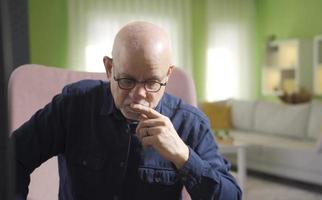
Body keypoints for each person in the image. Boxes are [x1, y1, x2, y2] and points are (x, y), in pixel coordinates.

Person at [12, 21, 242, 200]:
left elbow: (231, 196)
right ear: (109, 68)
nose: (138, 95)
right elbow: (13, 159)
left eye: (152, 83)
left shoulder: (190, 123)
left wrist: (184, 156)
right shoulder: (73, 106)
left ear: (168, 75)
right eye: (127, 81)